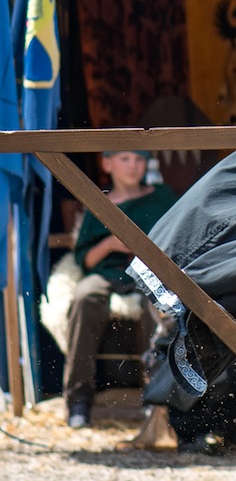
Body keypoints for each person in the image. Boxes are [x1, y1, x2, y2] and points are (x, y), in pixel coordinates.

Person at [64, 151, 178, 428]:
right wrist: (111, 244)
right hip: (108, 272)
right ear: (107, 164)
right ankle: (78, 399)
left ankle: (157, 401)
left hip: (149, 273)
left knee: (158, 307)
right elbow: (85, 260)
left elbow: (178, 236)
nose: (133, 166)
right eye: (125, 159)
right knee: (84, 297)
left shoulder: (162, 197)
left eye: (139, 160)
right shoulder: (99, 202)